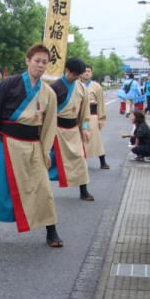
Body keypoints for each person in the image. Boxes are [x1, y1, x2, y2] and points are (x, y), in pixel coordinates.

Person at [0, 44, 63, 248]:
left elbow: (49, 125)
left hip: (33, 146)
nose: (40, 65)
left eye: (44, 62)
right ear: (28, 61)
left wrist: (46, 151)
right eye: (37, 60)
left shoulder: (49, 93)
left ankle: (52, 231)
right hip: (8, 144)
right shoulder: (9, 84)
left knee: (43, 188)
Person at [51, 57, 95, 201]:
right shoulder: (54, 87)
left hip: (73, 130)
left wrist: (86, 128)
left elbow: (85, 112)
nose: (76, 77)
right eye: (74, 74)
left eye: (78, 75)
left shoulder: (81, 87)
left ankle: (84, 191)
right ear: (67, 70)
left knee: (80, 160)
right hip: (56, 130)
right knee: (47, 161)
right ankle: (38, 191)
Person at [82, 66, 109, 170]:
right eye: (84, 71)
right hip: (81, 117)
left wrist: (101, 118)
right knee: (81, 139)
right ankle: (81, 162)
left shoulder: (97, 87)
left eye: (89, 71)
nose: (86, 73)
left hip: (91, 116)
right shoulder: (77, 85)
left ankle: (103, 161)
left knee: (95, 138)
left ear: (92, 73)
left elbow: (101, 103)